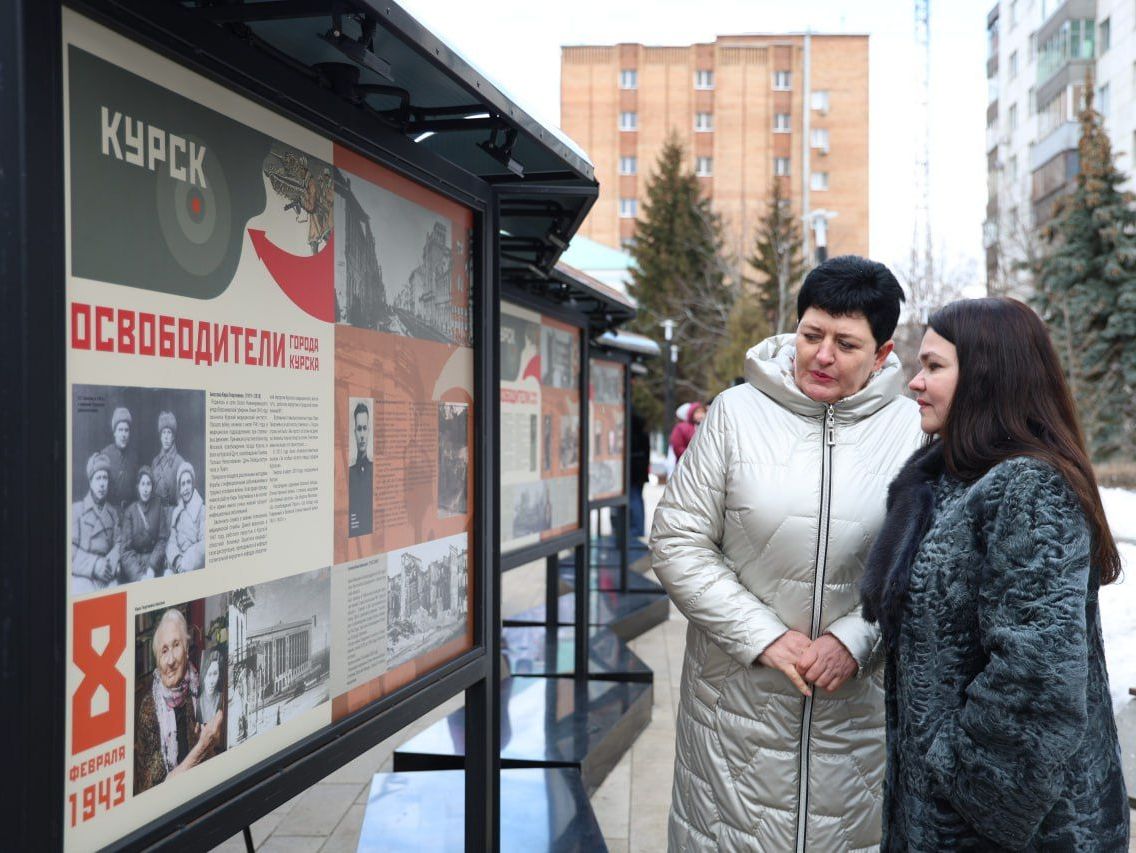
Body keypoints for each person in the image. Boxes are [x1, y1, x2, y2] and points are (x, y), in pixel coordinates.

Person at [650, 255, 924, 851]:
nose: (822, 355)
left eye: (847, 344)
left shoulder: (913, 430)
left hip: (857, 724)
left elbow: (926, 562)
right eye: (811, 334)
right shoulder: (735, 413)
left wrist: (858, 639)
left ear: (881, 355)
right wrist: (765, 637)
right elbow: (677, 540)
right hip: (734, 719)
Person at [860, 297, 1129, 850]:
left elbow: (1036, 679)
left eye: (934, 366)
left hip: (1014, 830)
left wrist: (959, 781)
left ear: (987, 376)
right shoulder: (951, 482)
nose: (915, 382)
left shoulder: (1030, 489)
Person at [134, 609, 223, 794]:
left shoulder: (201, 689)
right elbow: (153, 791)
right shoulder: (149, 709)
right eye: (164, 651)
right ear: (158, 661)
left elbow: (211, 760)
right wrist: (201, 748)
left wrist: (212, 742)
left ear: (187, 650)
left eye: (176, 645)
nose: (171, 660)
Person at [72, 452, 121, 594]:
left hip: (107, 575)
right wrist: (94, 565)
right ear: (91, 482)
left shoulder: (112, 514)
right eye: (98, 478)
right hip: (82, 575)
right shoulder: (77, 510)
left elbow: (119, 542)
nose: (102, 483)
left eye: (105, 478)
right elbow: (69, 552)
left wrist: (110, 564)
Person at [119, 466, 169, 583]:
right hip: (135, 567)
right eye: (143, 484)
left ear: (152, 487)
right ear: (138, 487)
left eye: (148, 484)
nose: (145, 489)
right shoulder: (130, 511)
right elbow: (125, 551)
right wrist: (139, 577)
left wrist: (152, 567)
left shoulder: (159, 507)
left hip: (155, 565)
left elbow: (162, 540)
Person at [166, 461, 205, 573]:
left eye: (188, 482)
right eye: (182, 484)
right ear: (179, 488)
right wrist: (177, 560)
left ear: (193, 485)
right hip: (177, 566)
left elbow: (205, 544)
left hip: (194, 567)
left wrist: (186, 563)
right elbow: (171, 541)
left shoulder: (202, 510)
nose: (186, 488)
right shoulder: (177, 513)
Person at [101, 406, 137, 512]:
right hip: (110, 512)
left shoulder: (134, 456)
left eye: (126, 430)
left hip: (129, 513)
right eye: (120, 430)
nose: (123, 434)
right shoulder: (105, 455)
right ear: (114, 432)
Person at [151, 410, 186, 508]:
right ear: (160, 436)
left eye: (169, 432)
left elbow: (182, 500)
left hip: (172, 515)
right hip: (156, 514)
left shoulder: (180, 463)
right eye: (163, 433)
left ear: (173, 437)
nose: (166, 437)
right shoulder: (155, 462)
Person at [348, 401, 374, 536]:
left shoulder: (374, 471)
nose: (362, 435)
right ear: (355, 432)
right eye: (359, 429)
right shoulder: (349, 473)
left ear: (369, 431)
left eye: (365, 428)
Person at [198, 649, 226, 754]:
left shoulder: (221, 699)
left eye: (215, 674)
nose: (211, 680)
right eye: (208, 674)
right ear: (203, 677)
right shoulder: (198, 703)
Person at [628, 409, 650, 537]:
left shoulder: (632, 435)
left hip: (633, 471)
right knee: (638, 498)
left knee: (634, 498)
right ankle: (639, 527)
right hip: (641, 471)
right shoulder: (644, 434)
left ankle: (636, 528)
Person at [667, 401, 704, 466]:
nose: (700, 415)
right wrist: (693, 455)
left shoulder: (706, 428)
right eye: (697, 412)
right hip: (686, 464)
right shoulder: (681, 428)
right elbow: (678, 447)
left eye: (702, 412)